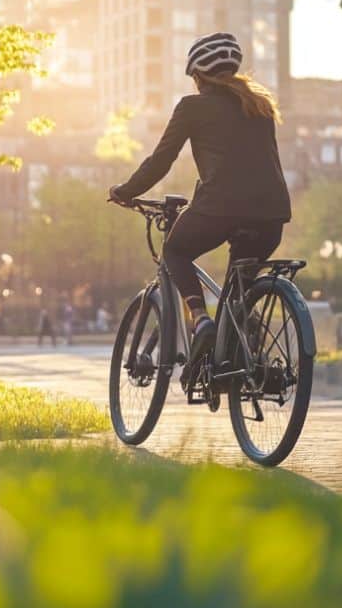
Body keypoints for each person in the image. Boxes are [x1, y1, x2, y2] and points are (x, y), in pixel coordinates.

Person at [109, 31, 291, 361]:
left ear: (199, 75)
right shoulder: (260, 107)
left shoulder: (192, 107)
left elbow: (161, 161)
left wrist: (125, 191)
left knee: (175, 250)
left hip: (220, 208)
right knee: (237, 298)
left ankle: (200, 318)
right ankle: (245, 365)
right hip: (271, 216)